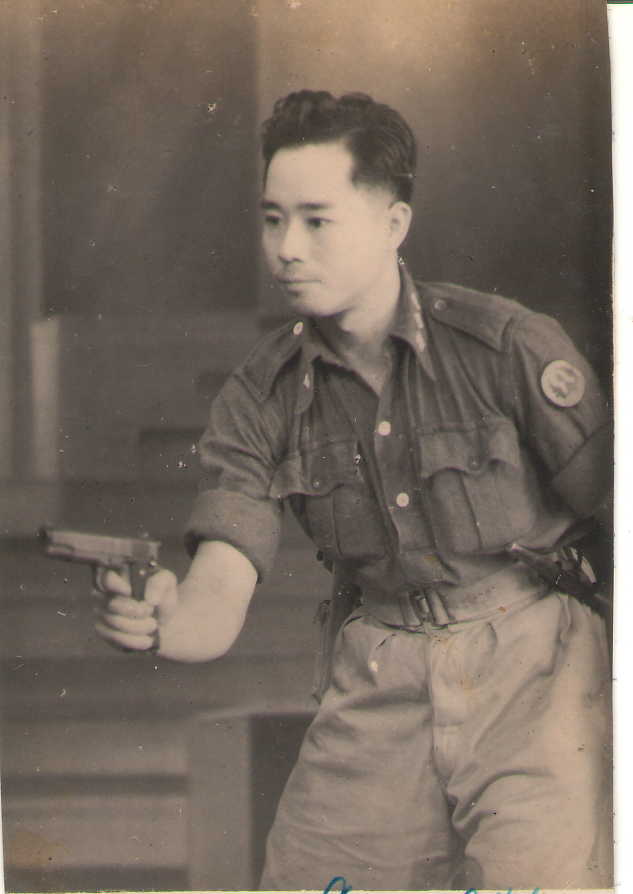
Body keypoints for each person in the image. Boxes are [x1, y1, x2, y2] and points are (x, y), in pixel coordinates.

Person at [95, 90, 613, 890]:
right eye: (272, 220)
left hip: (538, 678)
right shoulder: (259, 397)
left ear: (393, 223)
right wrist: (166, 622)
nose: (286, 249)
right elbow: (220, 583)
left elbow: (613, 514)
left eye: (316, 221)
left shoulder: (506, 348)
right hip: (380, 677)